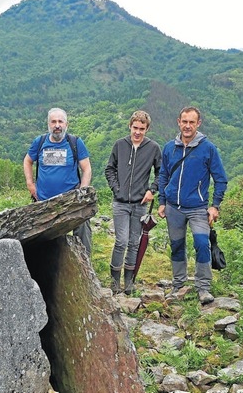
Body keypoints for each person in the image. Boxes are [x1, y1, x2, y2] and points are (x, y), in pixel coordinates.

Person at [158, 106, 227, 305]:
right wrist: (162, 201)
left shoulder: (208, 149)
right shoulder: (170, 147)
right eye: (184, 122)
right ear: (178, 122)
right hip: (173, 207)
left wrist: (215, 206)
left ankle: (203, 287)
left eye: (192, 122)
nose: (187, 126)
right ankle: (178, 284)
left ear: (198, 124)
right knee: (177, 246)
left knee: (202, 243)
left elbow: (220, 179)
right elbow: (163, 175)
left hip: (198, 207)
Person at [104, 110, 161, 294]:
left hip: (140, 204)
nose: (137, 132)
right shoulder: (119, 145)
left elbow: (162, 173)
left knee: (134, 242)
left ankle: (129, 282)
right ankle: (115, 281)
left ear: (147, 129)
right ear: (130, 126)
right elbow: (109, 169)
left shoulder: (153, 148)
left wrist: (152, 190)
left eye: (142, 129)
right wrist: (116, 188)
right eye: (135, 128)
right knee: (121, 240)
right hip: (120, 202)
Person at [23, 107, 93, 255]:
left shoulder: (75, 142)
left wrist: (83, 192)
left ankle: (86, 265)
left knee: (83, 225)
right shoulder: (40, 142)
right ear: (48, 124)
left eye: (60, 121)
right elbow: (28, 161)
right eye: (53, 121)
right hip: (44, 201)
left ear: (66, 124)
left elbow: (86, 169)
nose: (57, 125)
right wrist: (30, 184)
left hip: (71, 201)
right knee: (43, 240)